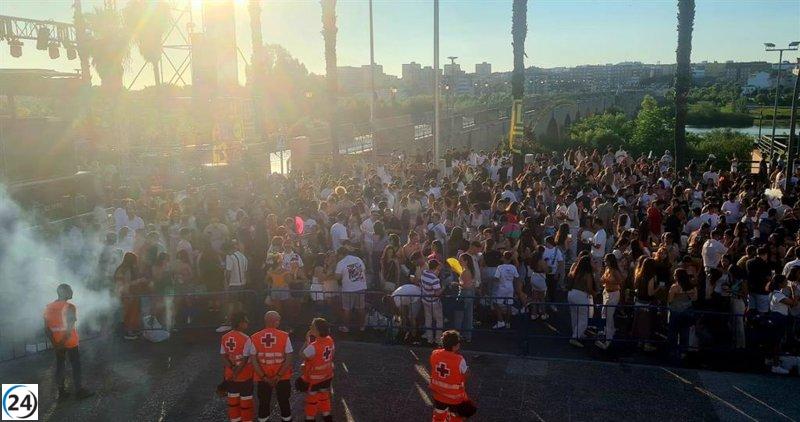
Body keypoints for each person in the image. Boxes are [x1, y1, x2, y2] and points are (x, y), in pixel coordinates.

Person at [44, 283, 93, 400]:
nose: (72, 292)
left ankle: (61, 393)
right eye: (69, 290)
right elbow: (70, 328)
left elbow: (46, 328)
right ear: (63, 292)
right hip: (70, 342)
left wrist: (55, 344)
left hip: (56, 342)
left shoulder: (49, 307)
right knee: (76, 365)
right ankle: (79, 391)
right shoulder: (70, 307)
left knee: (60, 366)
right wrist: (62, 343)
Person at [251, 311, 293, 422]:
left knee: (264, 403)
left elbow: (254, 360)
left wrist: (264, 377)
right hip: (282, 376)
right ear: (277, 321)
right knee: (284, 402)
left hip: (263, 377)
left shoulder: (255, 337)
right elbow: (288, 357)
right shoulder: (284, 336)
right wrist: (279, 375)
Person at [429, 330, 476, 421]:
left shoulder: (434, 354)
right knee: (455, 416)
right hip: (454, 397)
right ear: (455, 346)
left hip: (438, 394)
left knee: (439, 414)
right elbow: (466, 374)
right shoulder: (459, 359)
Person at [220, 311, 256, 422]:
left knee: (233, 403)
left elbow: (223, 356)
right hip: (245, 376)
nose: (247, 323)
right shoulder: (246, 339)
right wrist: (237, 372)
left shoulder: (225, 337)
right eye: (246, 321)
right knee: (246, 402)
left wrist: (232, 369)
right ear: (240, 323)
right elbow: (245, 359)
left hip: (230, 377)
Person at [299, 318, 335, 422]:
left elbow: (302, 355)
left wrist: (307, 341)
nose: (310, 328)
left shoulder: (313, 346)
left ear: (317, 331)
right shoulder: (330, 340)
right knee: (324, 395)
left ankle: (310, 418)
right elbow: (333, 353)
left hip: (314, 379)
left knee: (311, 399)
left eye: (312, 326)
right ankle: (327, 415)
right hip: (327, 376)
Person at [334, 247, 368, 333]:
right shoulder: (358, 259)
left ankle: (346, 327)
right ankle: (362, 326)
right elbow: (364, 270)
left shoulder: (341, 263)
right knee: (361, 308)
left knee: (347, 309)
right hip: (361, 287)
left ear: (341, 254)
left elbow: (337, 277)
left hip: (348, 289)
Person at [596, 253, 623, 350]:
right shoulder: (607, 270)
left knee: (608, 314)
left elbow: (620, 281)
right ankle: (609, 332)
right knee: (605, 313)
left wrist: (608, 281)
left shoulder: (614, 270)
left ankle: (608, 337)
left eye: (606, 260)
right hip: (606, 293)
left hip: (613, 294)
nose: (604, 261)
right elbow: (602, 279)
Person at [492, 251, 518, 329]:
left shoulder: (500, 267)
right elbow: (516, 277)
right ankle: (507, 323)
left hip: (502, 288)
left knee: (495, 304)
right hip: (510, 287)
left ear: (503, 258)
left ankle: (500, 321)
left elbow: (496, 278)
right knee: (509, 305)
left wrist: (492, 280)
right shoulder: (513, 267)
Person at [421, 259, 444, 345]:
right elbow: (437, 293)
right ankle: (438, 339)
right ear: (436, 267)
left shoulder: (424, 273)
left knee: (428, 319)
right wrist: (443, 288)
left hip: (425, 300)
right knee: (439, 320)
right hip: (434, 302)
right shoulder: (435, 279)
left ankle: (429, 338)